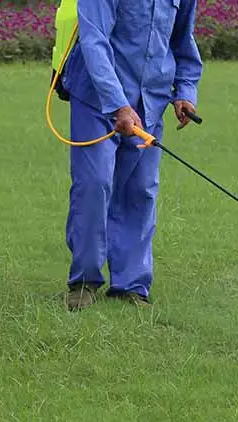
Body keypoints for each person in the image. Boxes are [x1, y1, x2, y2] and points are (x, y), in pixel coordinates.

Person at [57, 0, 203, 311]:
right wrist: (118, 104)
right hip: (96, 98)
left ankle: (130, 286)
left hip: (149, 99)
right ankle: (84, 282)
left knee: (140, 190)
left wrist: (185, 92)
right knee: (94, 184)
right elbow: (94, 40)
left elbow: (181, 39)